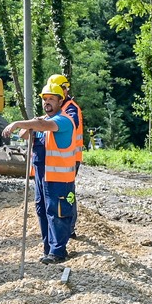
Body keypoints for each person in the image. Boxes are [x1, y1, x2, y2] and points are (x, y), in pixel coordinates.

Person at [3, 80, 77, 265]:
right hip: (43, 176)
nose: (47, 102)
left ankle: (58, 252)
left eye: (52, 99)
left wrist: (19, 123)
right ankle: (48, 249)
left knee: (57, 212)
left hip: (59, 178)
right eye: (45, 99)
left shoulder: (63, 120)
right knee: (43, 211)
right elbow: (24, 136)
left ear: (60, 101)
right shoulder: (44, 122)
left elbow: (44, 127)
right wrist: (31, 125)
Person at [47, 72, 84, 240]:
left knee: (67, 195)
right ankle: (67, 228)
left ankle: (69, 228)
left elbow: (66, 126)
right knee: (63, 195)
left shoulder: (70, 109)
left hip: (70, 157)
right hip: (64, 157)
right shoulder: (64, 107)